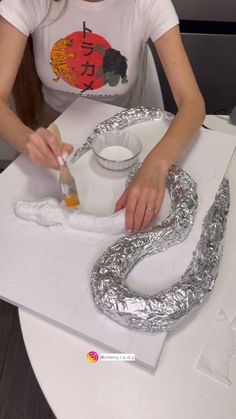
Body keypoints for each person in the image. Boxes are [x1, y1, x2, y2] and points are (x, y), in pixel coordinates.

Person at [0, 0, 205, 232]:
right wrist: (24, 140)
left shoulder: (147, 4)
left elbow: (193, 103)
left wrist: (157, 163)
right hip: (53, 141)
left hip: (119, 147)